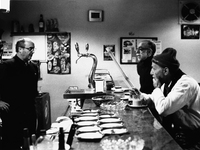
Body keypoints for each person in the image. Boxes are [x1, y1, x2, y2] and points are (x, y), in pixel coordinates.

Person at [142, 48, 200, 149]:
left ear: (165, 70)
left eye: (154, 69)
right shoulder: (168, 82)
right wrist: (138, 96)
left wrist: (157, 88)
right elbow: (155, 99)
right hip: (177, 131)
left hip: (191, 137)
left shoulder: (185, 84)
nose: (151, 72)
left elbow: (164, 109)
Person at [0, 38, 39, 150]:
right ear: (20, 49)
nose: (32, 51)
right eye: (30, 49)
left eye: (33, 49)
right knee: (13, 144)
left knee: (30, 143)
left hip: (29, 112)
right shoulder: (6, 66)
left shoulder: (33, 67)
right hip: (13, 114)